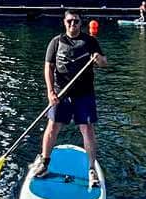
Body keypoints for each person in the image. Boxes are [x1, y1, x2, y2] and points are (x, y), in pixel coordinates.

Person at [34, 10, 108, 188]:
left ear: (80, 23)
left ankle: (91, 169)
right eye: (69, 21)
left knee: (87, 129)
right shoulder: (56, 42)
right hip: (61, 94)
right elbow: (48, 68)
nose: (72, 25)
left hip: (84, 94)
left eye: (76, 21)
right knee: (52, 127)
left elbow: (105, 63)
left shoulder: (90, 42)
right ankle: (44, 163)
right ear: (64, 22)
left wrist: (98, 59)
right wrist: (50, 92)